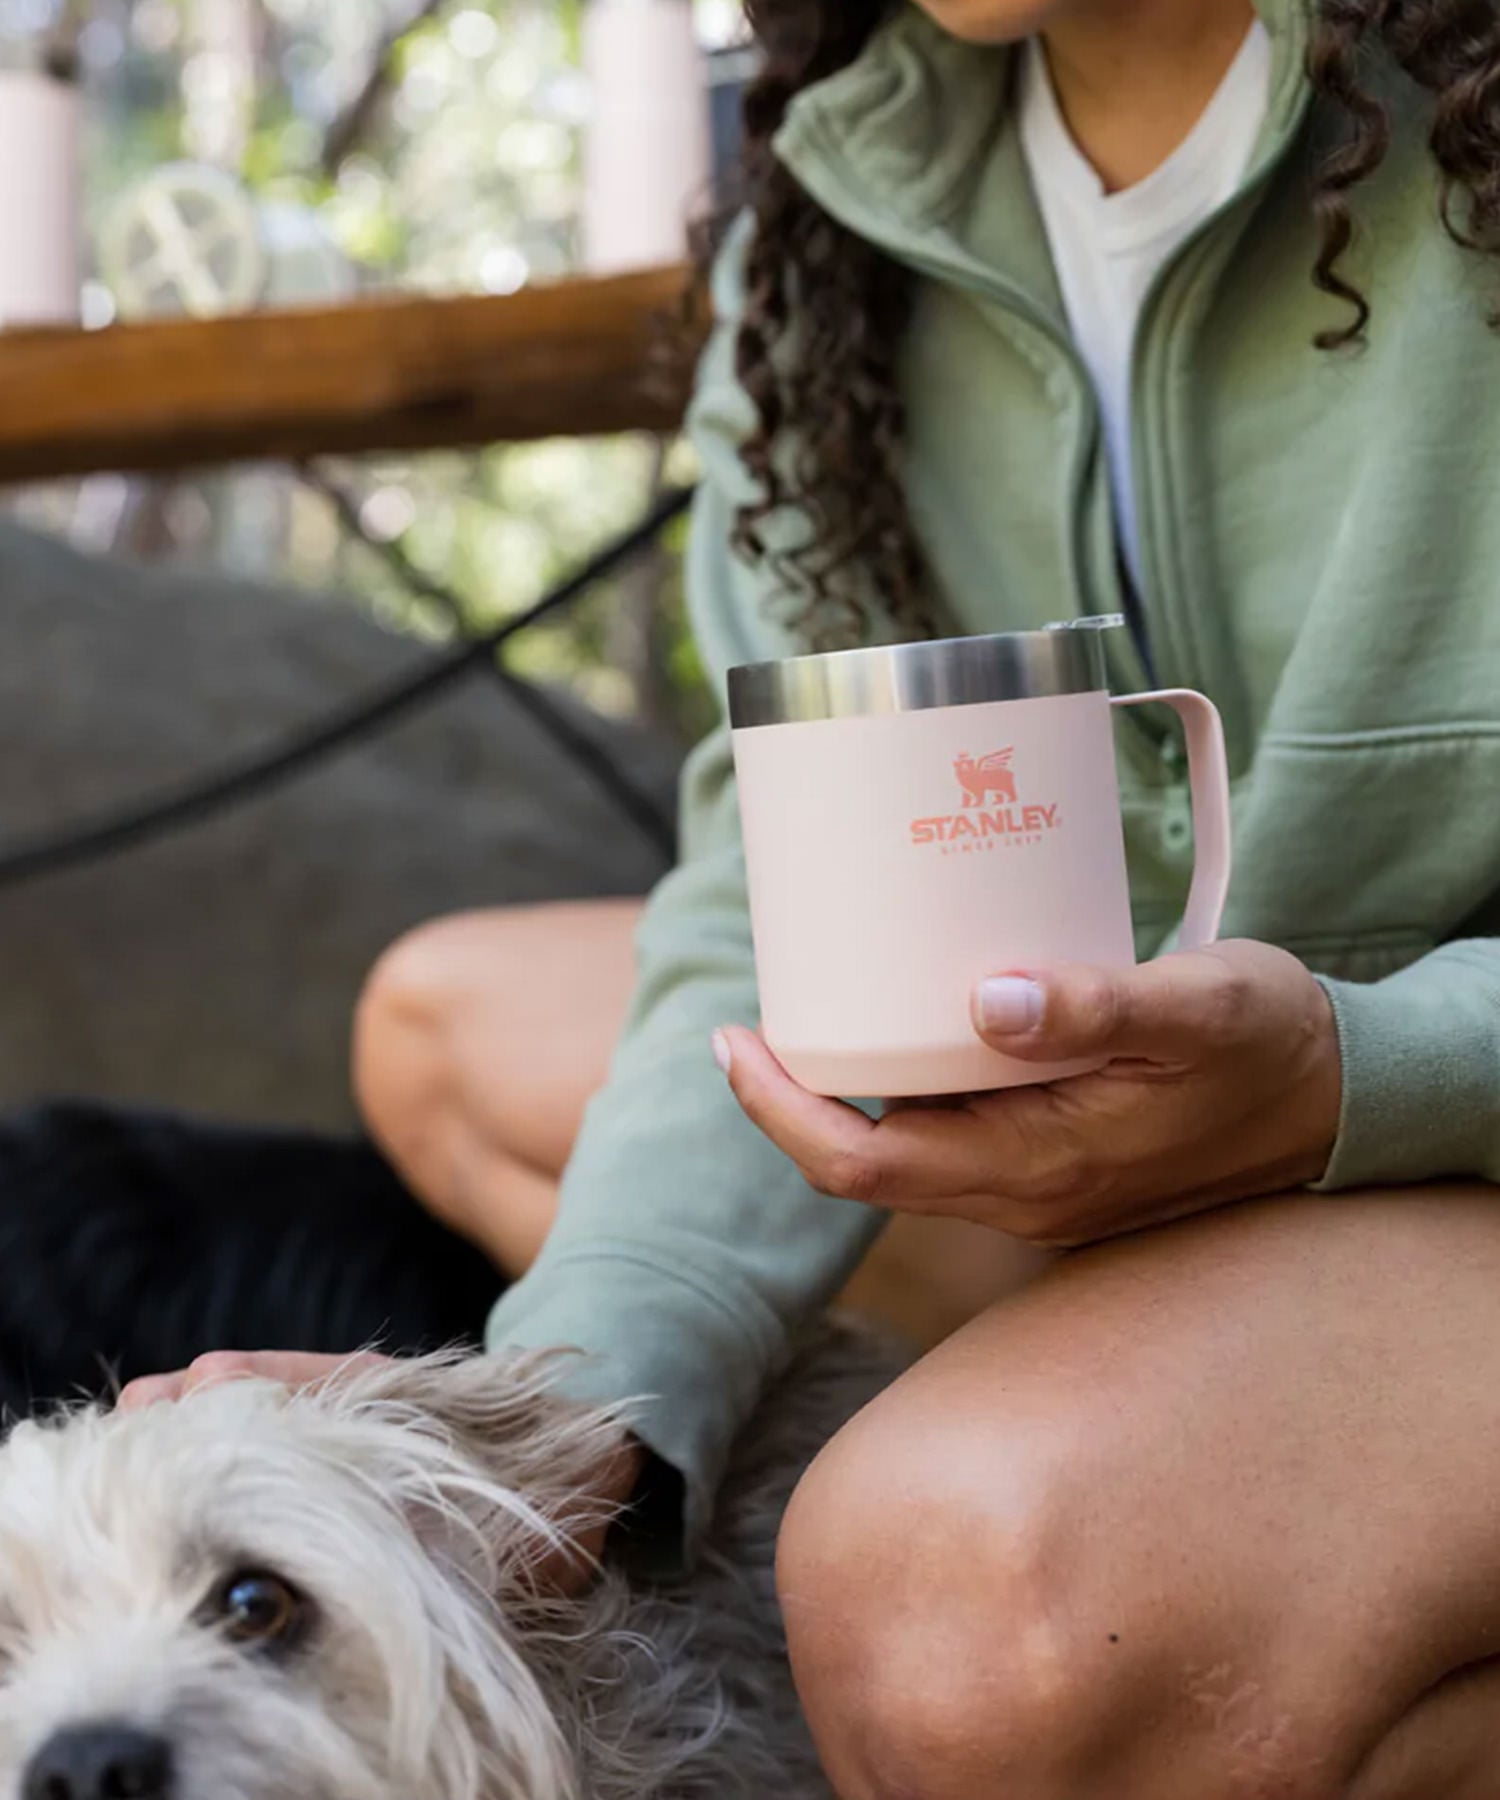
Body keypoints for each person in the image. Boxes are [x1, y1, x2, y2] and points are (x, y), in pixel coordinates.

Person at [125, 0, 1500, 1793]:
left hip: (1447, 1128)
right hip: (1185, 1099)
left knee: (937, 1605)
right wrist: (553, 1415)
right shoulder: (839, 206)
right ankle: (1170, 1425)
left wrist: (1357, 1075)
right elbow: (770, 888)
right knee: (453, 1031)